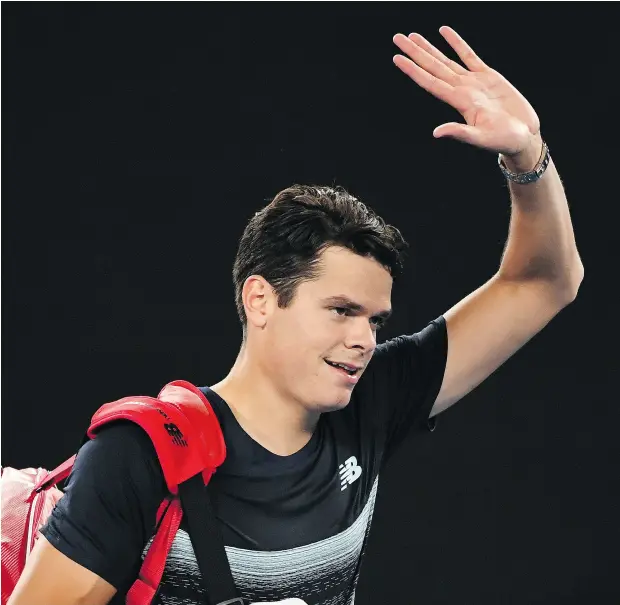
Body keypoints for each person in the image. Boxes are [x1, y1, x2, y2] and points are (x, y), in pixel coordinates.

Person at [8, 26, 583, 605]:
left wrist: (526, 152)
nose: (362, 339)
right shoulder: (136, 459)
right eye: (340, 310)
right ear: (260, 299)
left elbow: (544, 283)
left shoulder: (374, 401)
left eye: (375, 320)